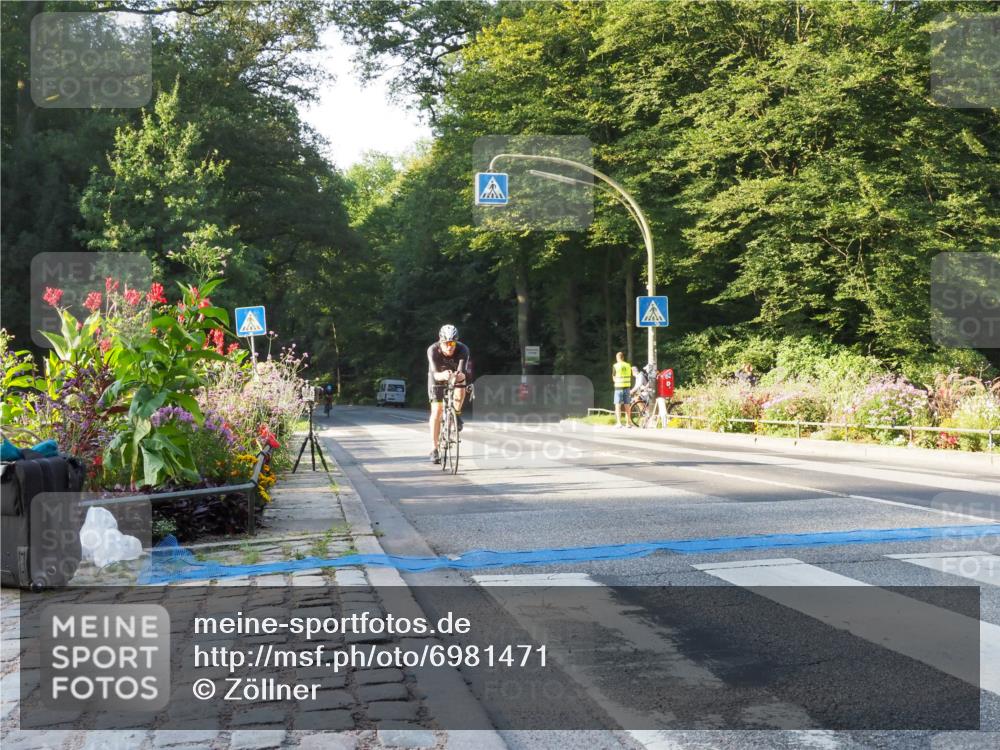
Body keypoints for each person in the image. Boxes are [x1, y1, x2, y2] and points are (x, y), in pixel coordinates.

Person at [428, 324, 471, 464]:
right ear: (440, 341)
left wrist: (455, 376)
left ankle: (457, 414)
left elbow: (461, 373)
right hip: (437, 376)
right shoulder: (433, 350)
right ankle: (434, 449)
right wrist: (444, 376)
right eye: (446, 343)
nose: (450, 346)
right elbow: (435, 374)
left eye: (452, 343)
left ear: (456, 341)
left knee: (462, 381)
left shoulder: (463, 349)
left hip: (454, 374)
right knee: (437, 411)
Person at [611, 351, 632, 428]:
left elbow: (613, 378)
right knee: (627, 405)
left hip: (618, 388)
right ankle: (628, 423)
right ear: (623, 357)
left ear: (617, 358)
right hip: (627, 387)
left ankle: (619, 423)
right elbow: (630, 375)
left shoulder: (615, 366)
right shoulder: (628, 365)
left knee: (618, 405)